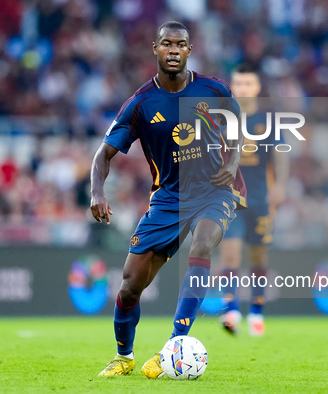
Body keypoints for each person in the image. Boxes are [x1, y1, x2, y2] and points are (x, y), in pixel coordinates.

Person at [91, 21, 245, 378]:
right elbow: (103, 155)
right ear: (155, 49)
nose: (173, 50)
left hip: (214, 191)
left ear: (190, 50)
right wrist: (98, 191)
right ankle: (124, 356)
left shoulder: (214, 90)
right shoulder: (141, 103)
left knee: (202, 247)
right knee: (131, 285)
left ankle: (172, 348)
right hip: (168, 200)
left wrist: (233, 162)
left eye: (180, 44)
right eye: (166, 44)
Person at [219, 64, 288, 337]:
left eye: (248, 83)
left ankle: (257, 312)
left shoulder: (267, 122)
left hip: (260, 198)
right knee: (231, 253)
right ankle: (231, 310)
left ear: (256, 87)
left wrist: (281, 185)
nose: (243, 88)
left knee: (259, 256)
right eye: (238, 84)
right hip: (231, 199)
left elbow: (281, 156)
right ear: (232, 88)